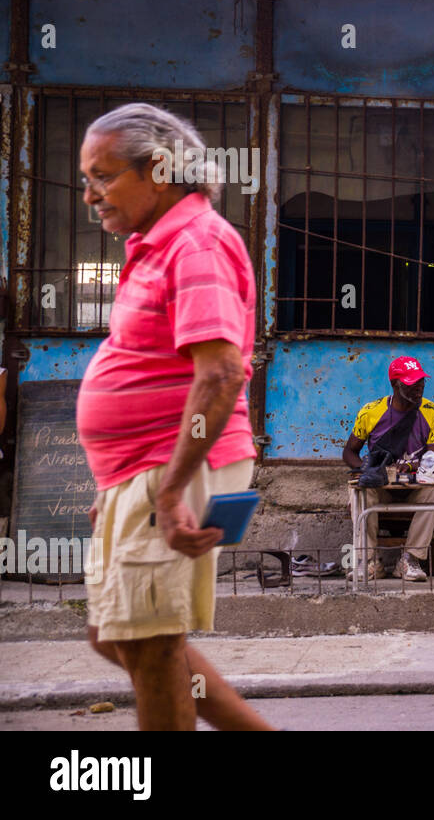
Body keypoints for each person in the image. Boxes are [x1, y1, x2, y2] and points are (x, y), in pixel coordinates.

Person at [76, 103, 271, 731]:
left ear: (159, 169)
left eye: (103, 176)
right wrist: (119, 489)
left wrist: (167, 488)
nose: (89, 195)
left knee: (151, 645)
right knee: (115, 637)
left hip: (177, 461)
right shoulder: (156, 245)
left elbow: (220, 373)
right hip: (143, 467)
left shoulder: (197, 242)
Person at [342, 357, 434, 581]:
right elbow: (349, 452)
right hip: (383, 486)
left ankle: (410, 560)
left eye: (421, 382)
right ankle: (369, 563)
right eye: (411, 383)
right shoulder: (371, 411)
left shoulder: (431, 411)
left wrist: (411, 466)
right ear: (395, 385)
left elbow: (433, 457)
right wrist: (367, 469)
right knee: (360, 490)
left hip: (417, 486)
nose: (418, 388)